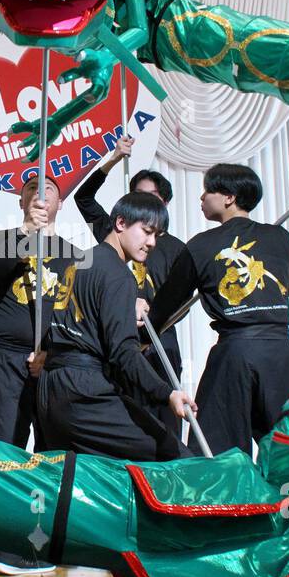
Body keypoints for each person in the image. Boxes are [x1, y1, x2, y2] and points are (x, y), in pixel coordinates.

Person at [150, 163, 289, 458]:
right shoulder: (279, 237)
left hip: (235, 353)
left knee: (215, 451)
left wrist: (143, 333)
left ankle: (228, 505)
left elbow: (165, 305)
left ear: (228, 197)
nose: (201, 198)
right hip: (281, 354)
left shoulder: (201, 245)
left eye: (207, 191)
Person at [33, 192, 197, 462]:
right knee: (174, 454)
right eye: (146, 231)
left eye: (157, 235)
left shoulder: (79, 262)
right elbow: (124, 353)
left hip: (51, 389)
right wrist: (168, 393)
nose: (152, 242)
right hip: (83, 392)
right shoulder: (119, 275)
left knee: (81, 473)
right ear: (120, 223)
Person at [0, 174, 83, 575]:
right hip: (7, 358)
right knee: (4, 444)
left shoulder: (74, 253)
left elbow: (76, 311)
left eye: (50, 189)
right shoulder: (0, 241)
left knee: (55, 447)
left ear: (61, 202)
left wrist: (52, 350)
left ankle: (49, 537)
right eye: (31, 189)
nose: (40, 194)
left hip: (53, 363)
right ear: (22, 200)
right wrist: (26, 232)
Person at [71, 134, 187, 436]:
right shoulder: (115, 234)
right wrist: (112, 158)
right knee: (126, 419)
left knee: (166, 422)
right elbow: (83, 198)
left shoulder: (176, 248)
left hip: (160, 339)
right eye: (137, 196)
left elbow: (184, 300)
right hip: (117, 338)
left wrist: (156, 325)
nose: (147, 242)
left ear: (164, 203)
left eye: (151, 198)